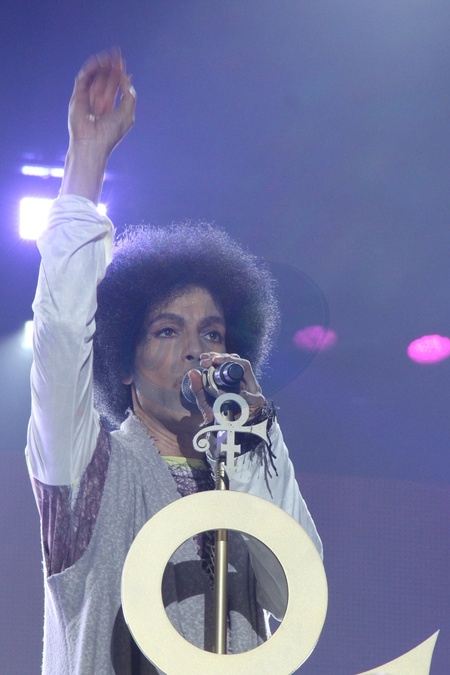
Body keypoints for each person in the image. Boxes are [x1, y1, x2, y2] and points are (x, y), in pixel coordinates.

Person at [26, 50, 322, 674]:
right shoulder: (88, 471)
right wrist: (87, 159)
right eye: (167, 330)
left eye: (212, 333)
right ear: (123, 362)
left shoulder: (240, 471)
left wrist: (253, 437)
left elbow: (299, 595)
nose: (197, 349)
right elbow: (61, 332)